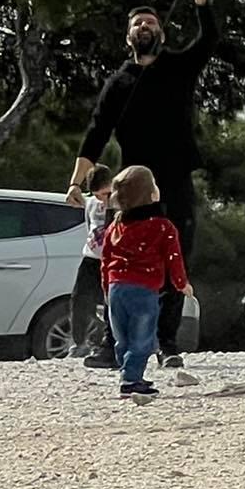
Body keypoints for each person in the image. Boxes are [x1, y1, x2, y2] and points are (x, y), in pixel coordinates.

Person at [71, 0, 221, 370]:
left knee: (175, 260)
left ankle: (167, 343)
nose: (144, 26)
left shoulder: (178, 68)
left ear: (161, 33)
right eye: (137, 23)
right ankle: (111, 343)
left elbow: (210, 39)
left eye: (151, 22)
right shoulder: (118, 83)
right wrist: (76, 180)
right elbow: (97, 131)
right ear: (129, 37)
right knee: (121, 262)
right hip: (132, 187)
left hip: (174, 179)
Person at [102, 165, 191, 398]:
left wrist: (105, 288)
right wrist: (181, 283)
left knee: (122, 337)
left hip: (115, 288)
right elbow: (174, 257)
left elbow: (105, 259)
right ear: (152, 194)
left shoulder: (115, 227)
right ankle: (130, 380)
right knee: (142, 338)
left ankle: (129, 373)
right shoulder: (162, 226)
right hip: (144, 290)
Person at [67, 165, 114, 359]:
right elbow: (89, 225)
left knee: (111, 301)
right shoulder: (90, 203)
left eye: (106, 193)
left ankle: (109, 340)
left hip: (113, 260)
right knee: (80, 298)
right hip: (92, 257)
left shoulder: (120, 201)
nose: (103, 198)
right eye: (98, 195)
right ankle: (79, 341)